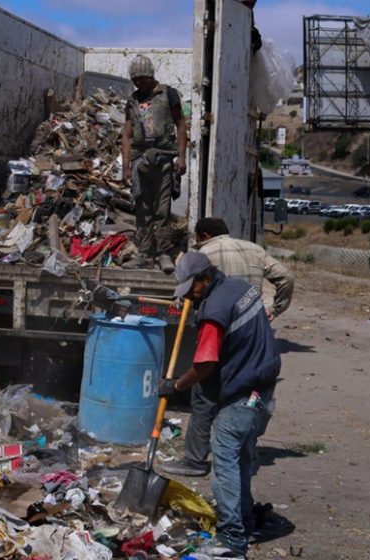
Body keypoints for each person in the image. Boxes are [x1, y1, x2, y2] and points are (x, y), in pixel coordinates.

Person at [156, 252, 280, 559]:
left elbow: (204, 365)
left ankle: (232, 539)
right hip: (261, 391)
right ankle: (245, 522)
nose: (189, 296)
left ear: (205, 278)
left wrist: (175, 386)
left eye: (192, 289)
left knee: (224, 464)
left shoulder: (214, 311)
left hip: (243, 395)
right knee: (241, 461)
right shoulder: (240, 288)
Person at [169, 217, 294, 479]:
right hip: (252, 333)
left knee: (205, 396)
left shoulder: (202, 257)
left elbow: (204, 365)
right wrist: (274, 309)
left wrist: (176, 385)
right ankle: (244, 451)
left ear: (204, 236)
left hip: (222, 333)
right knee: (250, 398)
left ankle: (197, 460)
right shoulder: (254, 250)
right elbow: (286, 276)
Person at [121, 54, 188, 274]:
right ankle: (144, 254)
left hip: (164, 158)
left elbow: (180, 124)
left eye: (143, 78)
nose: (139, 83)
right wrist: (125, 167)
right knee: (142, 208)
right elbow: (127, 134)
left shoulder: (168, 94)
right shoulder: (132, 100)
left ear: (151, 76)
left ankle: (163, 252)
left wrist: (181, 156)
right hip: (140, 160)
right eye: (135, 80)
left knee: (162, 209)